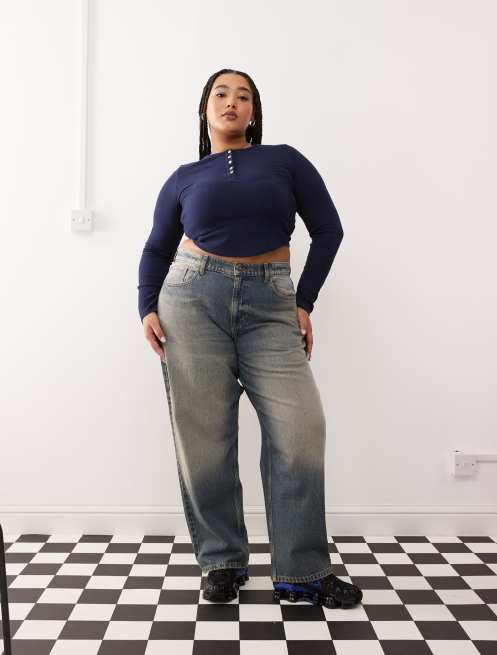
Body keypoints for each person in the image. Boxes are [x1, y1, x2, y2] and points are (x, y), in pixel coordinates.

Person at [137, 68, 362, 609]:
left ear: (254, 111)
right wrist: (146, 306)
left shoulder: (284, 160)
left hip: (271, 302)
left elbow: (328, 230)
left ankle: (302, 571)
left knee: (301, 427)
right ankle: (221, 562)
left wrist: (303, 301)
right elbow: (156, 247)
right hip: (192, 300)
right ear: (205, 108)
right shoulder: (184, 177)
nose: (231, 102)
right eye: (221, 94)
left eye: (243, 96)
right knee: (205, 436)